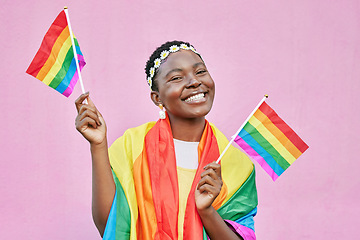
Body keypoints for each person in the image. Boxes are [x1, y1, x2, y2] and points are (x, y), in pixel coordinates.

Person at [75, 41, 258, 240]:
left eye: (200, 72)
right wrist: (98, 145)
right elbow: (109, 226)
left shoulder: (236, 162)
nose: (194, 82)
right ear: (157, 98)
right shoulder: (133, 146)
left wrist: (207, 212)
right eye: (177, 77)